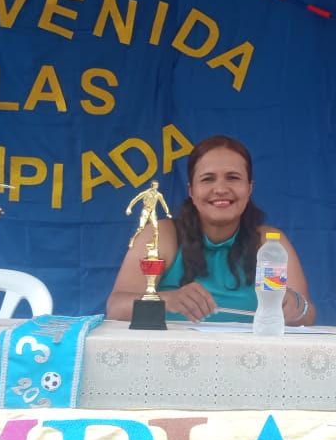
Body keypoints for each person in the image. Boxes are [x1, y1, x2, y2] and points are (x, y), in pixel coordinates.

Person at [107, 135, 316, 325]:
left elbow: (307, 315)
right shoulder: (161, 235)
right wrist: (165, 300)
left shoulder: (270, 242)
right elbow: (116, 309)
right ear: (191, 190)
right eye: (208, 179)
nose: (221, 189)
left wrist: (296, 306)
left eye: (233, 177)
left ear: (249, 188)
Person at [126, 180, 172, 252]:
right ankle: (133, 239)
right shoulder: (146, 193)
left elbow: (163, 203)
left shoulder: (159, 195)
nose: (155, 186)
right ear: (151, 185)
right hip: (146, 210)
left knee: (156, 228)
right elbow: (136, 199)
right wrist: (129, 207)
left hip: (152, 211)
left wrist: (167, 212)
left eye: (157, 185)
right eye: (154, 185)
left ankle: (155, 245)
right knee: (141, 227)